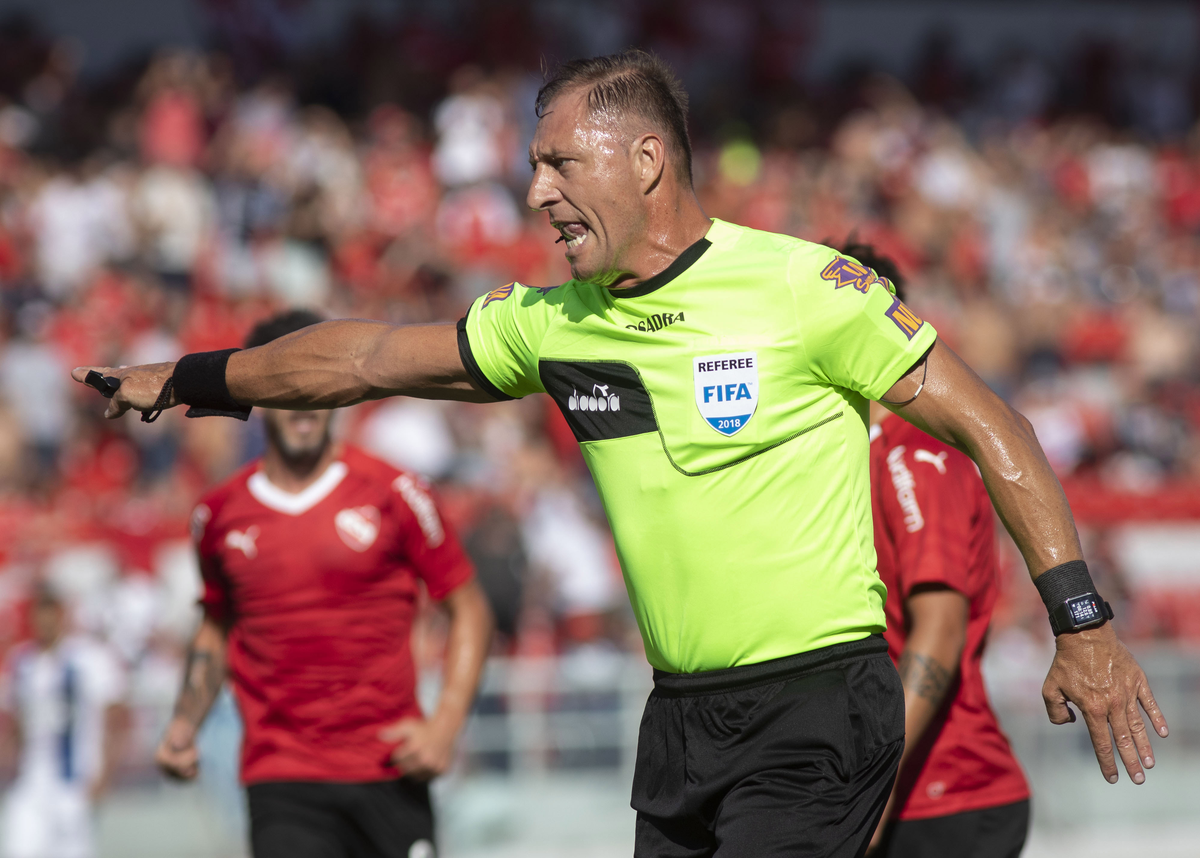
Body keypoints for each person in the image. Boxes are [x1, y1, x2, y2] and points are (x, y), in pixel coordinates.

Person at [76, 51, 1166, 857]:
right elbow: (359, 358)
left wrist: (1084, 621)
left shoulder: (800, 290)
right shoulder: (554, 322)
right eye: (531, 165)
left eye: (559, 162)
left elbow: (994, 426)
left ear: (646, 158)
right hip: (679, 719)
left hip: (816, 711)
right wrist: (192, 377)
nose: (537, 191)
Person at [152, 310, 493, 858]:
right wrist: (182, 725)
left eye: (315, 385)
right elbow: (216, 627)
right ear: (256, 395)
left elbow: (468, 607)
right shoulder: (218, 515)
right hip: (282, 776)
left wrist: (445, 722)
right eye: (286, 387)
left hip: (389, 767)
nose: (304, 407)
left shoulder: (395, 491)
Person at [849, 244, 1029, 858]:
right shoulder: (865, 453)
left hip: (943, 797)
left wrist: (879, 783)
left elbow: (941, 630)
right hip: (908, 795)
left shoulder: (915, 456)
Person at [0, 583, 127, 858]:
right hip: (31, 780)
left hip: (74, 781)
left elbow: (116, 719)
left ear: (62, 615)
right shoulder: (22, 661)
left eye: (50, 613)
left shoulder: (89, 658)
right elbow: (16, 722)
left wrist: (105, 774)